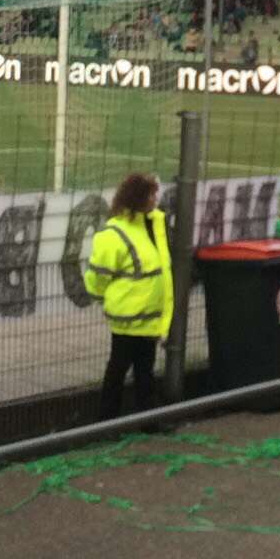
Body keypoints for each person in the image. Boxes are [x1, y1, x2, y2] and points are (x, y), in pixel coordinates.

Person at [83, 173, 173, 419]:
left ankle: (137, 418)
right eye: (151, 194)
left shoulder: (149, 226)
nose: (156, 199)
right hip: (129, 317)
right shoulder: (116, 234)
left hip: (145, 317)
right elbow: (98, 277)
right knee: (121, 369)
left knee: (141, 370)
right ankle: (109, 420)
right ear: (138, 198)